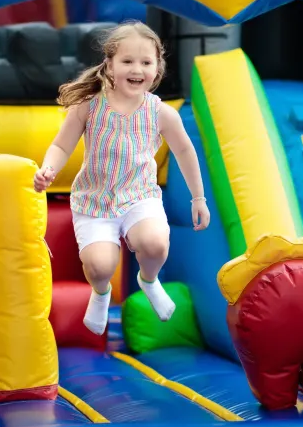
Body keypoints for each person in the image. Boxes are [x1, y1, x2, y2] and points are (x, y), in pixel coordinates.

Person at [33, 21, 210, 336]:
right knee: (100, 266)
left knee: (155, 244)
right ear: (110, 65)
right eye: (127, 61)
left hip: (139, 196)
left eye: (146, 62)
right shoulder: (89, 106)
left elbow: (185, 152)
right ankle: (101, 293)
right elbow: (61, 145)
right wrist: (49, 169)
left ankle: (149, 280)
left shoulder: (161, 113)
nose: (137, 69)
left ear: (157, 69)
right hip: (95, 200)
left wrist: (199, 198)